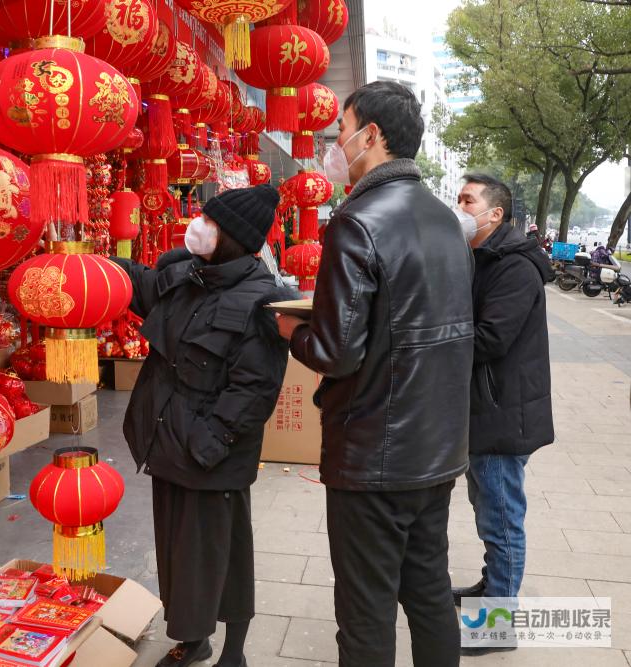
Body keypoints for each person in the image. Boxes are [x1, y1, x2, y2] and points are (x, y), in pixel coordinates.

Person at [276, 81, 474, 667]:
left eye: (341, 129)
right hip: (437, 447)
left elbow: (337, 351)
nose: (336, 142)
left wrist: (292, 332)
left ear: (373, 136)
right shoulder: (446, 220)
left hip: (374, 453)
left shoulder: (357, 221)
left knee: (364, 616)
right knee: (430, 592)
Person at [112, 185, 292, 667]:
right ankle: (194, 638)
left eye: (210, 222)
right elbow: (143, 286)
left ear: (233, 236)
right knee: (178, 554)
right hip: (167, 440)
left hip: (210, 454)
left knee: (224, 556)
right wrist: (98, 264)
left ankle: (233, 651)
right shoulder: (190, 277)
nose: (198, 226)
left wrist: (208, 445)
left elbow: (254, 389)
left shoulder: (261, 301)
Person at [451, 173, 554, 656]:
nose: (460, 206)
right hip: (483, 409)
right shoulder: (481, 257)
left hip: (501, 411)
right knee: (487, 509)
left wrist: (432, 335)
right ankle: (493, 588)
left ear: (495, 214)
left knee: (502, 518)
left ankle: (497, 624)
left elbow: (491, 338)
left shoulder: (514, 267)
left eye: (468, 200)